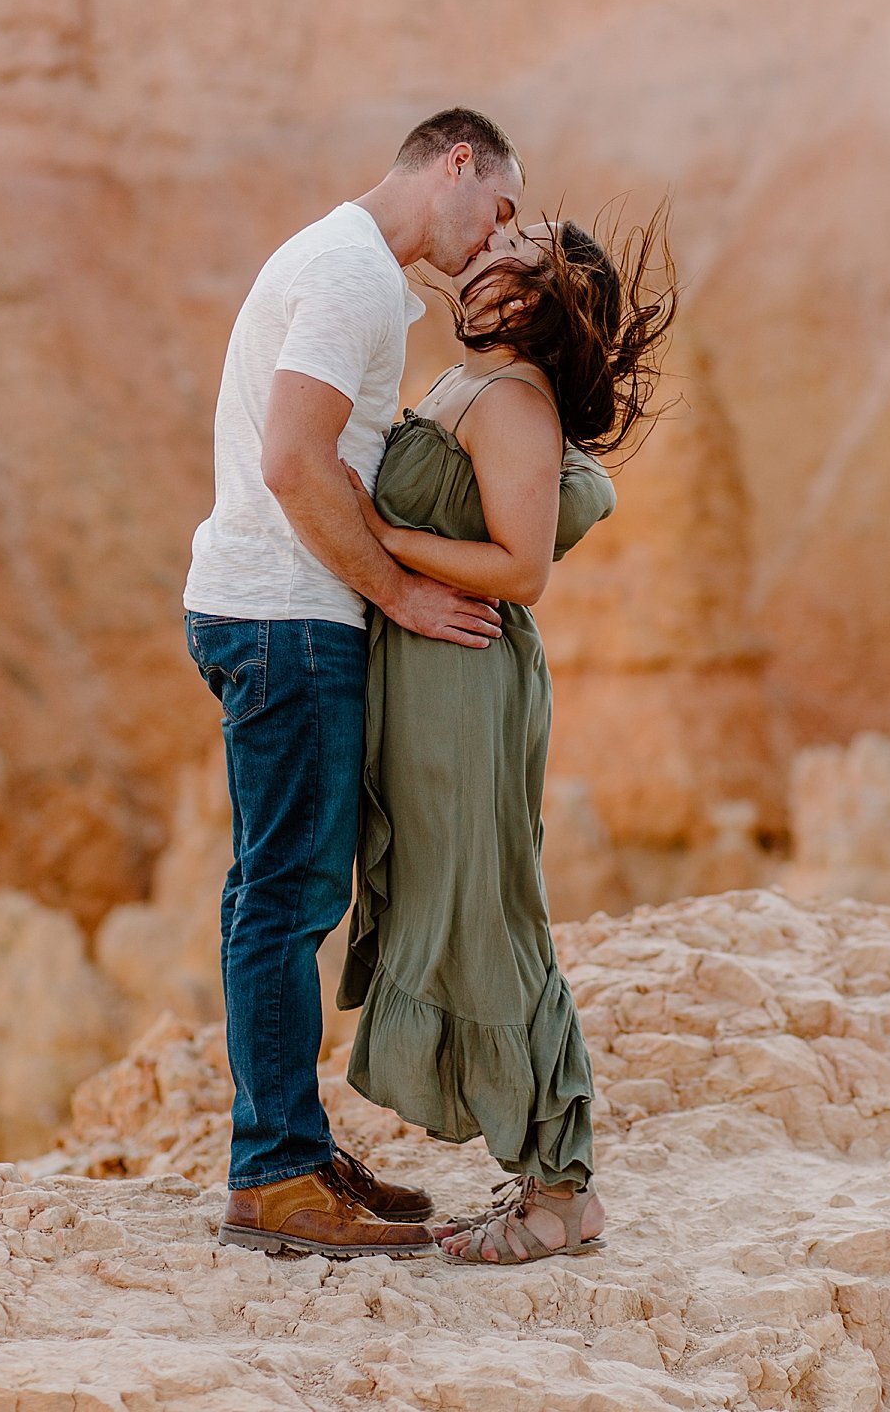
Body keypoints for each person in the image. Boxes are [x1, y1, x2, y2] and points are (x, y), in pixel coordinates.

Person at [183, 108, 524, 1259]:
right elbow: (293, 460)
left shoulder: (349, 265)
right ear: (458, 163)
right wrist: (398, 593)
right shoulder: (355, 276)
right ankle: (274, 1174)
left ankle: (287, 1143)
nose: (501, 233)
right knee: (285, 898)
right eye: (501, 205)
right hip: (288, 617)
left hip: (269, 606)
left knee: (277, 891)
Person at [339, 209, 677, 1264]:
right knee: (460, 899)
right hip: (429, 669)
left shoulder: (516, 405)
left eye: (512, 244)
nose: (484, 247)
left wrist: (383, 536)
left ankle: (561, 1193)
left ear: (532, 296)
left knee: (487, 910)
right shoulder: (476, 386)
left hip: (464, 680)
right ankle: (540, 1179)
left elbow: (520, 569)